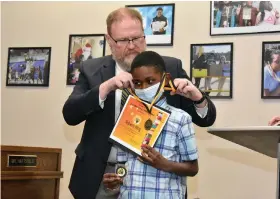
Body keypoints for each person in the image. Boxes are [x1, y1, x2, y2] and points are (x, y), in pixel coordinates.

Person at [62, 7, 216, 199]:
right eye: (123, 40)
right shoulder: (92, 69)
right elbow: (70, 115)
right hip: (101, 176)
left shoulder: (169, 67)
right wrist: (105, 88)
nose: (132, 45)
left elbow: (206, 119)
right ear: (109, 41)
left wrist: (197, 97)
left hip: (155, 180)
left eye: (137, 38)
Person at [103, 51, 199, 199]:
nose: (144, 87)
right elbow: (123, 165)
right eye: (137, 83)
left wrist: (165, 164)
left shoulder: (180, 119)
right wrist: (116, 181)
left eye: (150, 81)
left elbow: (193, 168)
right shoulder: (127, 116)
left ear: (165, 79)